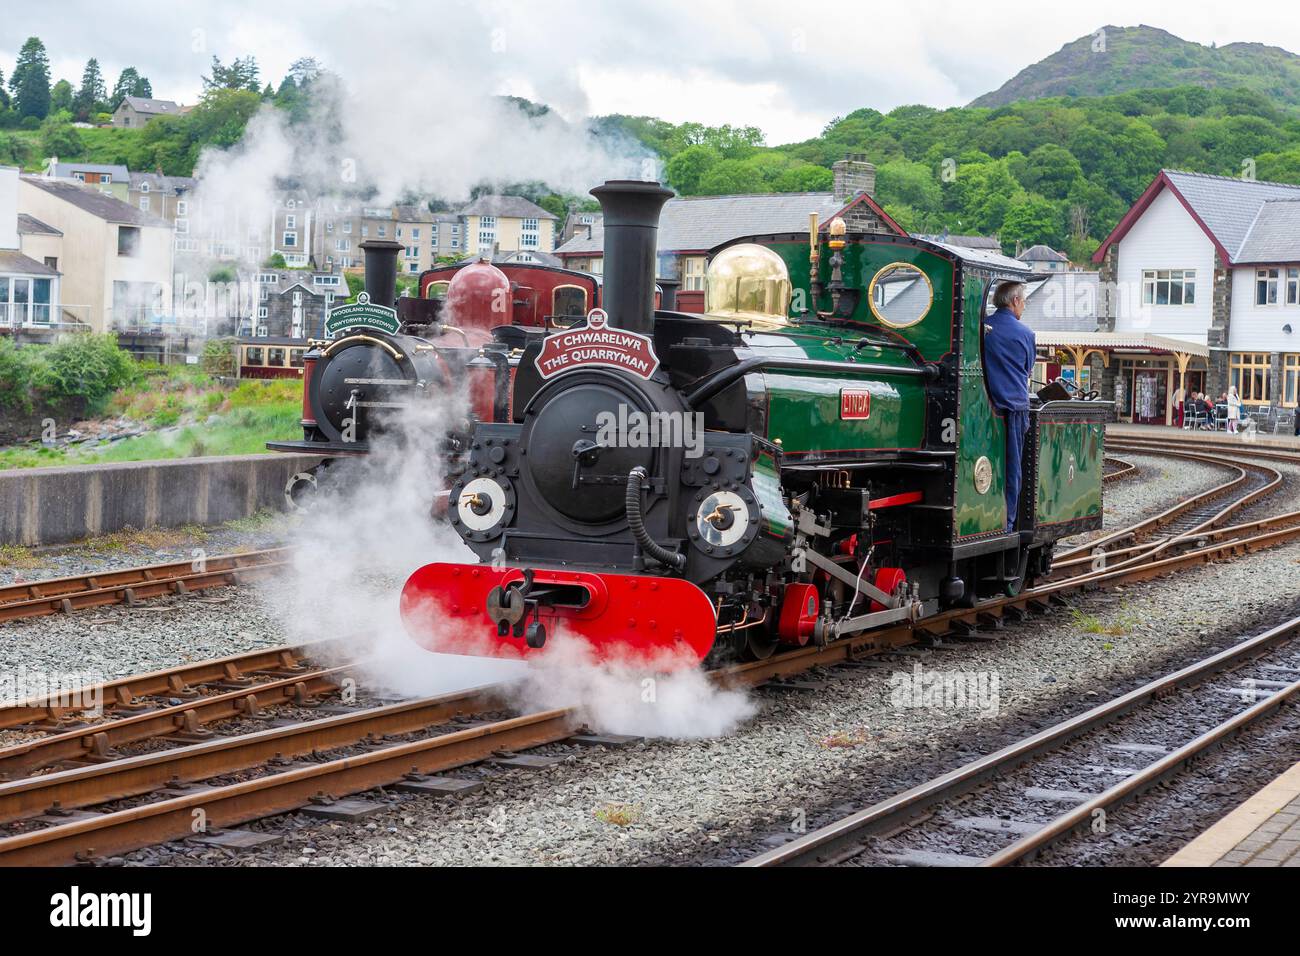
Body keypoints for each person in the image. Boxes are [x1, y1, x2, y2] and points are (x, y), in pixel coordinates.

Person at [983, 280, 1036, 532]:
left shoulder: (983, 329)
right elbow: (1027, 369)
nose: (1023, 306)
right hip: (1014, 406)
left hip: (986, 404)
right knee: (1013, 468)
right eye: (1023, 301)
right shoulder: (1025, 334)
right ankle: (1009, 522)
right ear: (1015, 301)